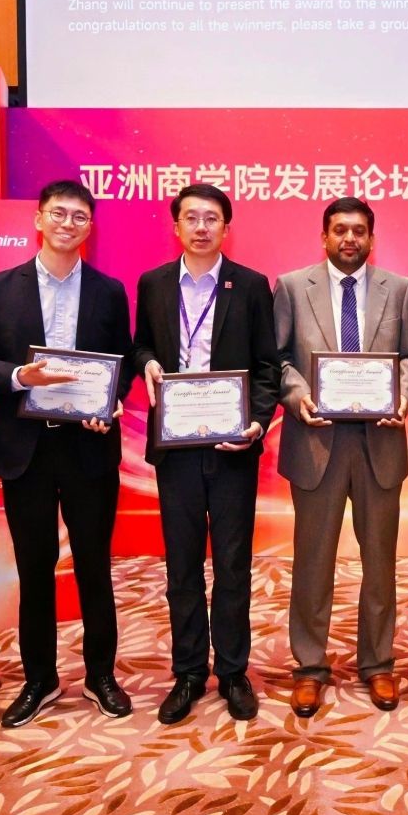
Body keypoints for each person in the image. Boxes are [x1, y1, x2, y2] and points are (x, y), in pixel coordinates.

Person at [0, 180, 135, 727]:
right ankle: (39, 678)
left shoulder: (109, 291)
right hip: (25, 450)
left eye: (79, 217)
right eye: (58, 213)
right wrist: (19, 376)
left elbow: (123, 363)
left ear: (90, 228)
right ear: (38, 219)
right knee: (34, 569)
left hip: (88, 446)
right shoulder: (3, 288)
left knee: (94, 567)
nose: (68, 224)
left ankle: (101, 676)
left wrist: (109, 402)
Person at [132, 184, 281, 724]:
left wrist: (257, 422)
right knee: (183, 565)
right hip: (176, 448)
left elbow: (267, 366)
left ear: (226, 228)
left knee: (233, 564)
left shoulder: (250, 285)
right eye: (191, 218)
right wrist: (146, 362)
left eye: (211, 218)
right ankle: (189, 672)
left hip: (232, 445)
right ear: (176, 227)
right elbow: (140, 344)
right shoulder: (153, 283)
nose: (201, 227)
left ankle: (234, 671)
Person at [273, 197, 408, 716]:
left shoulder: (400, 289)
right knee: (313, 561)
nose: (349, 239)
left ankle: (377, 663)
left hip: (380, 443)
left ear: (372, 239)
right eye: (339, 230)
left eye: (359, 231)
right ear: (324, 237)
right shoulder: (292, 287)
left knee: (380, 562)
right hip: (317, 443)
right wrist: (297, 396)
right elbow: (278, 360)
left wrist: (403, 395)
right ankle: (310, 667)